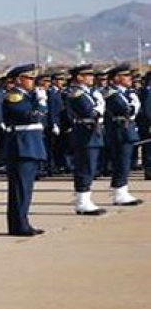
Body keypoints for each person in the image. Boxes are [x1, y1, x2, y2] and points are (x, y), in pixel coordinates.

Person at [2, 64, 47, 236]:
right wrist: (41, 102)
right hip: (21, 146)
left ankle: (22, 223)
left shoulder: (27, 97)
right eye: (29, 78)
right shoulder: (14, 97)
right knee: (20, 189)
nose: (32, 82)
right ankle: (19, 225)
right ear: (19, 80)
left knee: (25, 189)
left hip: (30, 145)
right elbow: (31, 116)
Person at [64, 64, 106, 216]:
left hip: (91, 133)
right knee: (85, 167)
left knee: (90, 167)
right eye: (88, 75)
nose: (91, 78)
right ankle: (82, 201)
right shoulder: (76, 93)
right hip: (84, 133)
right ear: (79, 77)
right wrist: (100, 106)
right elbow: (89, 112)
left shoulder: (87, 92)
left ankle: (85, 199)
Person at [103, 65, 143, 206]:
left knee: (124, 162)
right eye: (126, 76)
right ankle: (120, 193)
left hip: (126, 130)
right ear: (116, 78)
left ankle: (122, 191)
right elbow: (126, 110)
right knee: (121, 162)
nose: (130, 78)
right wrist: (135, 105)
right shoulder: (112, 94)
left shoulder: (124, 93)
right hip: (119, 132)